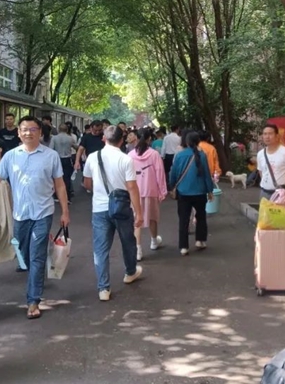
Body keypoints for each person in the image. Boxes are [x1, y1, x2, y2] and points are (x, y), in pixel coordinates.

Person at [0, 116, 69, 320]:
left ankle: (33, 300)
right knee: (23, 253)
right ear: (19, 133)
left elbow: (59, 185)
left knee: (36, 255)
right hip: (20, 215)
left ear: (40, 132)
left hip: (43, 212)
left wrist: (65, 212)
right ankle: (36, 273)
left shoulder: (51, 156)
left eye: (32, 129)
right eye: (24, 129)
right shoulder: (11, 156)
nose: (28, 133)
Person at [82, 126, 144, 301]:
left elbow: (87, 184)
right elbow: (132, 187)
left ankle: (103, 288)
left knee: (101, 249)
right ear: (121, 140)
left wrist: (98, 191)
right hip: (122, 207)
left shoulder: (93, 157)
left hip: (99, 209)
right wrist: (139, 212)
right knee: (128, 241)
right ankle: (130, 272)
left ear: (104, 138)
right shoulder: (126, 159)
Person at [169, 131, 215, 256]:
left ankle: (184, 247)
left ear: (186, 142)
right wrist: (210, 190)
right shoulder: (202, 155)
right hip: (200, 192)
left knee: (183, 219)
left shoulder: (180, 155)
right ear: (198, 141)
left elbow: (173, 173)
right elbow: (207, 174)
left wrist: (171, 186)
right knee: (201, 216)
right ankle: (200, 240)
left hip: (183, 192)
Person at [127, 128, 168, 262]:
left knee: (137, 220)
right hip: (151, 190)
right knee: (152, 217)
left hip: (135, 192)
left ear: (136, 138)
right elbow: (160, 173)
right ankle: (154, 241)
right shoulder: (154, 154)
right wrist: (162, 190)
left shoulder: (130, 155)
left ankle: (138, 250)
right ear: (150, 139)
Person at [257, 123, 285, 207]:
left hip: (280, 195)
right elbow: (261, 172)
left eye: (270, 134)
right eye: (265, 134)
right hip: (264, 193)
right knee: (264, 215)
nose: (267, 137)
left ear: (277, 136)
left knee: (281, 215)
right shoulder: (260, 154)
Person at [50, 123, 76, 202]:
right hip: (67, 159)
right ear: (67, 130)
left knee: (56, 177)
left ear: (58, 129)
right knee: (67, 178)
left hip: (57, 159)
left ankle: (57, 196)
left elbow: (51, 149)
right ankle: (67, 197)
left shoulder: (54, 138)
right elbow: (76, 147)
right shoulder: (70, 138)